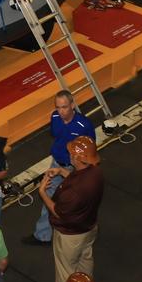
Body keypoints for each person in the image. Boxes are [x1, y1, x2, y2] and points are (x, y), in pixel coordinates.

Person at [39, 136, 104, 282]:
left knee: (65, 271)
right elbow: (79, 181)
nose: (70, 156)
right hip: (89, 228)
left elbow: (58, 211)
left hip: (70, 236)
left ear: (77, 158)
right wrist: (61, 172)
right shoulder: (96, 174)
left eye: (71, 154)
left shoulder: (73, 193)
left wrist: (42, 192)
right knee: (85, 261)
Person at [26, 90, 94, 246]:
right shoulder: (55, 117)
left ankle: (77, 234)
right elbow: (56, 135)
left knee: (74, 202)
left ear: (72, 105)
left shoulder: (84, 125)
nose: (61, 111)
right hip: (57, 164)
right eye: (58, 107)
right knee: (49, 196)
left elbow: (90, 149)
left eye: (64, 107)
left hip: (75, 168)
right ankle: (43, 235)